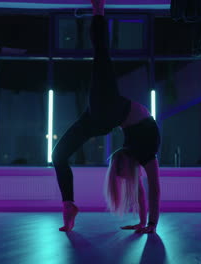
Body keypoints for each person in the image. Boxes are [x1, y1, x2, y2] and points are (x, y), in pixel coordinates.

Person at [51, 0, 161, 233]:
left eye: (115, 168)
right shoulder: (147, 154)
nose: (115, 161)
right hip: (105, 114)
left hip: (106, 112)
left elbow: (142, 190)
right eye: (119, 167)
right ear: (130, 166)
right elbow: (151, 189)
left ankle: (98, 10)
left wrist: (148, 224)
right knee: (58, 155)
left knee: (101, 55)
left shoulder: (137, 155)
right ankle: (69, 207)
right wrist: (147, 223)